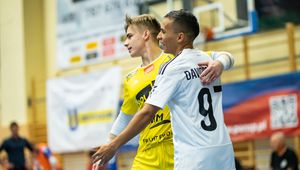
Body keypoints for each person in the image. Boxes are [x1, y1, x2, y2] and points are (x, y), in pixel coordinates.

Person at [92, 10, 235, 170]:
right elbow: (125, 115)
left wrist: (221, 62)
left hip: (178, 149)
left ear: (146, 34)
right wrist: (108, 144)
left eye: (130, 36)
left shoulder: (172, 62)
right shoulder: (131, 78)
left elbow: (147, 112)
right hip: (148, 153)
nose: (125, 42)